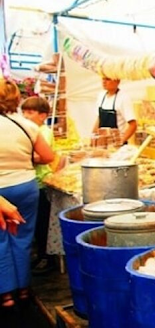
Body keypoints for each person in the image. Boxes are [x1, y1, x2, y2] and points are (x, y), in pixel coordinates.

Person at [0, 78, 55, 308]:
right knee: (22, 237)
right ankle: (24, 289)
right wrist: (24, 158)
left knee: (1, 240)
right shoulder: (28, 126)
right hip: (25, 185)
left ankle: (6, 294)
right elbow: (48, 156)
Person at [20, 96, 56, 274]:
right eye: (24, 111)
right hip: (32, 180)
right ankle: (41, 254)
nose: (26, 115)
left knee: (42, 224)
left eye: (30, 112)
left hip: (41, 182)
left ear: (43, 116)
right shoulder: (28, 129)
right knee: (35, 224)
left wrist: (22, 156)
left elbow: (44, 156)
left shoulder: (43, 132)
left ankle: (47, 258)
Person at [91, 77, 137, 146]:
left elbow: (133, 125)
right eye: (103, 79)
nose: (104, 82)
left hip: (116, 146)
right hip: (102, 144)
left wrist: (120, 142)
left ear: (117, 81)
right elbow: (99, 119)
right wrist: (93, 137)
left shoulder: (123, 98)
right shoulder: (101, 96)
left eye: (107, 79)